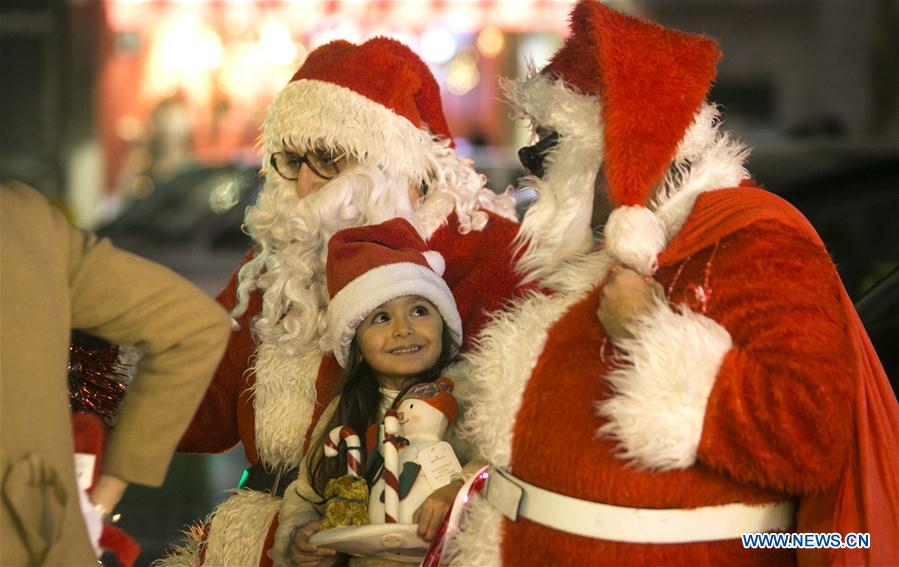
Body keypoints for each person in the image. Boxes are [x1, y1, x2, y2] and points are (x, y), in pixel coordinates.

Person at [445, 2, 899, 566]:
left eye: (549, 144)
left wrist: (650, 334)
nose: (537, 165)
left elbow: (807, 434)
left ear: (622, 149)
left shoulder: (755, 243)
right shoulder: (607, 249)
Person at [165, 37, 523, 567]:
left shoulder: (487, 252)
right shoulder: (277, 263)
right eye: (291, 159)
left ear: (392, 158)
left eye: (329, 160)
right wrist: (97, 379)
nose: (306, 182)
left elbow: (528, 431)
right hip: (272, 545)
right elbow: (201, 403)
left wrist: (468, 491)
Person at [0, 182, 230, 566]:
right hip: (46, 540)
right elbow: (192, 326)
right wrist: (101, 498)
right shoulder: (21, 219)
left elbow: (192, 329)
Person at [273, 218, 482, 566]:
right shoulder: (348, 412)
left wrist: (457, 490)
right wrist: (302, 535)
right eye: (381, 318)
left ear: (445, 323)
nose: (404, 330)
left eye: (419, 310)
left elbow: (503, 463)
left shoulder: (469, 393)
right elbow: (307, 495)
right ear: (355, 341)